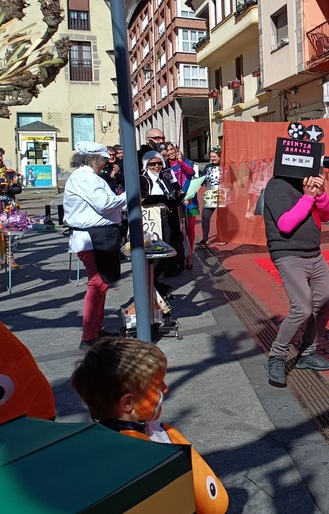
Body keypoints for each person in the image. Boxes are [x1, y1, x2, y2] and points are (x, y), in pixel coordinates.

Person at [71, 338, 228, 513]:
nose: (166, 388)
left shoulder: (146, 432)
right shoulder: (140, 457)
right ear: (128, 402)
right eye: (158, 385)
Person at [263, 169, 329, 386]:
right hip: (288, 254)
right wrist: (308, 196)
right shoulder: (277, 185)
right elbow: (285, 224)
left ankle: (307, 353)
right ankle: (276, 356)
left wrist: (320, 194)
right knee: (302, 307)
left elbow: (326, 214)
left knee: (326, 300)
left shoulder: (308, 181)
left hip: (314, 253)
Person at [63, 141, 127, 349]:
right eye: (103, 160)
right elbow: (105, 204)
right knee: (98, 284)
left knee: (102, 284)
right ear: (94, 159)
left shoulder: (89, 177)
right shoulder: (84, 178)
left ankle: (95, 330)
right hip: (92, 238)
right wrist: (130, 195)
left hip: (98, 236)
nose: (105, 164)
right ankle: (89, 335)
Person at [140, 151, 184, 295]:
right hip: (153, 219)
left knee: (166, 249)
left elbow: (172, 198)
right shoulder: (143, 179)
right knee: (156, 252)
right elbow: (143, 199)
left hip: (167, 217)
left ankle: (156, 282)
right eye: (152, 164)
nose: (157, 166)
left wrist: (181, 197)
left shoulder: (164, 178)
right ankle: (151, 286)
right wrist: (164, 197)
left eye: (159, 163)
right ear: (146, 165)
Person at [165, 143, 197, 270]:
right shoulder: (165, 164)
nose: (170, 152)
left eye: (171, 149)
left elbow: (191, 172)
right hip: (175, 200)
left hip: (189, 199)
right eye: (167, 150)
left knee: (190, 230)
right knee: (177, 229)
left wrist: (181, 161)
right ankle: (179, 255)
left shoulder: (185, 161)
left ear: (176, 149)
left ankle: (190, 256)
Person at [199, 148, 223, 246]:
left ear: (220, 156)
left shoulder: (225, 166)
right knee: (205, 216)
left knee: (222, 218)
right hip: (211, 194)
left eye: (214, 156)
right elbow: (201, 181)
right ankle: (204, 238)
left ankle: (223, 237)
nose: (212, 159)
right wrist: (193, 192)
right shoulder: (208, 167)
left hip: (222, 193)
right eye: (211, 157)